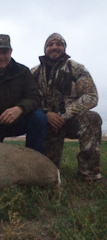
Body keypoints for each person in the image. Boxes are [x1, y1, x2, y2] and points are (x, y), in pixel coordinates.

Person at [31, 33, 103, 181]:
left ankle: (89, 175)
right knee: (48, 172)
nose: (54, 47)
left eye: (58, 44)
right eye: (50, 44)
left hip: (70, 121)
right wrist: (47, 114)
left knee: (92, 118)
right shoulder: (34, 72)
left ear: (64, 47)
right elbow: (28, 98)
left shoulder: (76, 69)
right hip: (47, 123)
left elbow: (91, 96)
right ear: (45, 49)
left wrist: (64, 115)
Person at [0, 34, 47, 153]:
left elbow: (34, 97)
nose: (1, 56)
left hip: (17, 121)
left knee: (39, 118)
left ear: (11, 52)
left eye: (5, 52)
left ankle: (33, 160)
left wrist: (19, 108)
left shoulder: (23, 72)